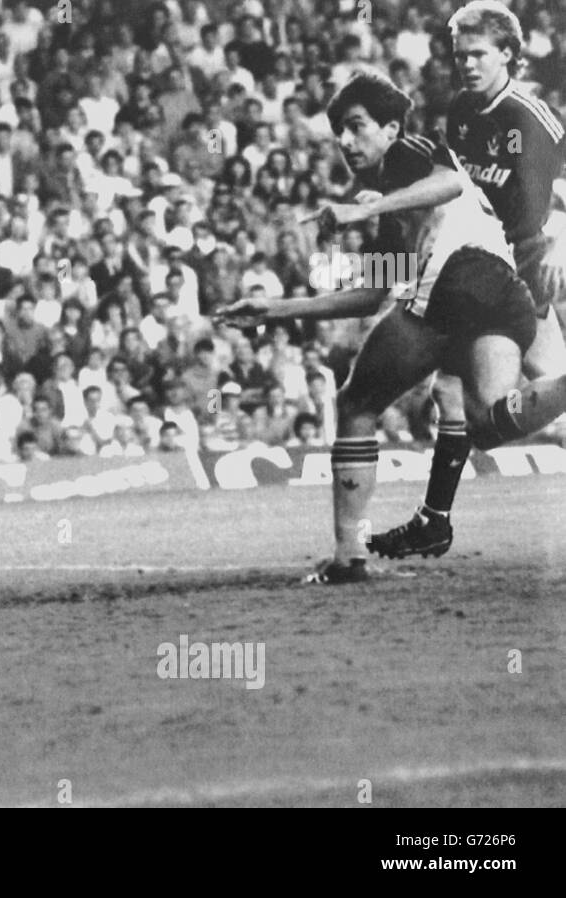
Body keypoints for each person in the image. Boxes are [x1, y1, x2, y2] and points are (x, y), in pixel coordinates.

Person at [220, 73, 566, 584]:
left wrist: (370, 205)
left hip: (457, 281)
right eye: (338, 131)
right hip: (503, 294)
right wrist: (274, 308)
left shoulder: (408, 153)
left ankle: (348, 556)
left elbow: (451, 181)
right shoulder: (391, 210)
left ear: (390, 128)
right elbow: (371, 296)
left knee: (358, 402)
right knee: (486, 424)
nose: (344, 140)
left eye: (357, 127)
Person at [320, 2, 566, 559]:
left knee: (507, 397)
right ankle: (433, 520)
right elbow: (450, 190)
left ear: (509, 54)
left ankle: (431, 521)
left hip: (528, 266)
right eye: (460, 56)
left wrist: (562, 235)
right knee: (455, 396)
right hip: (482, 270)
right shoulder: (459, 112)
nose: (468, 65)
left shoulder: (533, 117)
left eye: (479, 54)